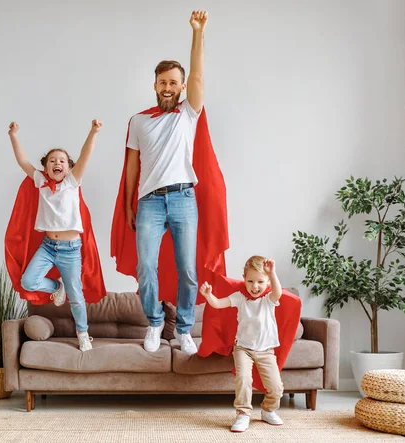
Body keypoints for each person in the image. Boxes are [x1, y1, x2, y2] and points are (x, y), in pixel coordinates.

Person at [122, 10, 208, 355]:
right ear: (155, 85)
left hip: (184, 197)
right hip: (150, 202)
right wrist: (130, 203)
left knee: (188, 268)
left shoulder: (188, 114)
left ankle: (184, 328)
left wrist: (197, 33)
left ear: (182, 87)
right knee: (147, 266)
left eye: (174, 82)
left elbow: (199, 76)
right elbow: (131, 167)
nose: (168, 88)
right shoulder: (139, 122)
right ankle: (155, 322)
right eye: (163, 82)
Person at [8, 119, 102, 352]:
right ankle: (56, 286)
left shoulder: (72, 182)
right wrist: (13, 136)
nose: (56, 163)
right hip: (48, 247)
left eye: (61, 161)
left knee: (76, 296)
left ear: (69, 168)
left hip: (71, 249)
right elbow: (23, 162)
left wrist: (93, 132)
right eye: (52, 161)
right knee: (29, 281)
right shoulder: (40, 182)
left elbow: (85, 155)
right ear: (46, 167)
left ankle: (83, 333)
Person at [199, 256, 285, 432]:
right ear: (244, 279)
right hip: (243, 348)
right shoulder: (239, 297)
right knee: (244, 379)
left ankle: (268, 410)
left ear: (267, 281)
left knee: (276, 387)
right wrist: (209, 295)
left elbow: (278, 292)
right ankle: (243, 414)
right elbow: (218, 304)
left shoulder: (269, 299)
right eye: (250, 281)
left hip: (266, 350)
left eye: (260, 281)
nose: (255, 286)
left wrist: (273, 273)